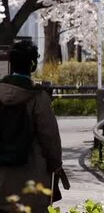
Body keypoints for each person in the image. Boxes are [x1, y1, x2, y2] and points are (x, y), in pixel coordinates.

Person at [0, 41, 63, 213]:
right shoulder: (38, 98)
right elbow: (49, 137)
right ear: (32, 65)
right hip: (31, 177)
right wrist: (55, 165)